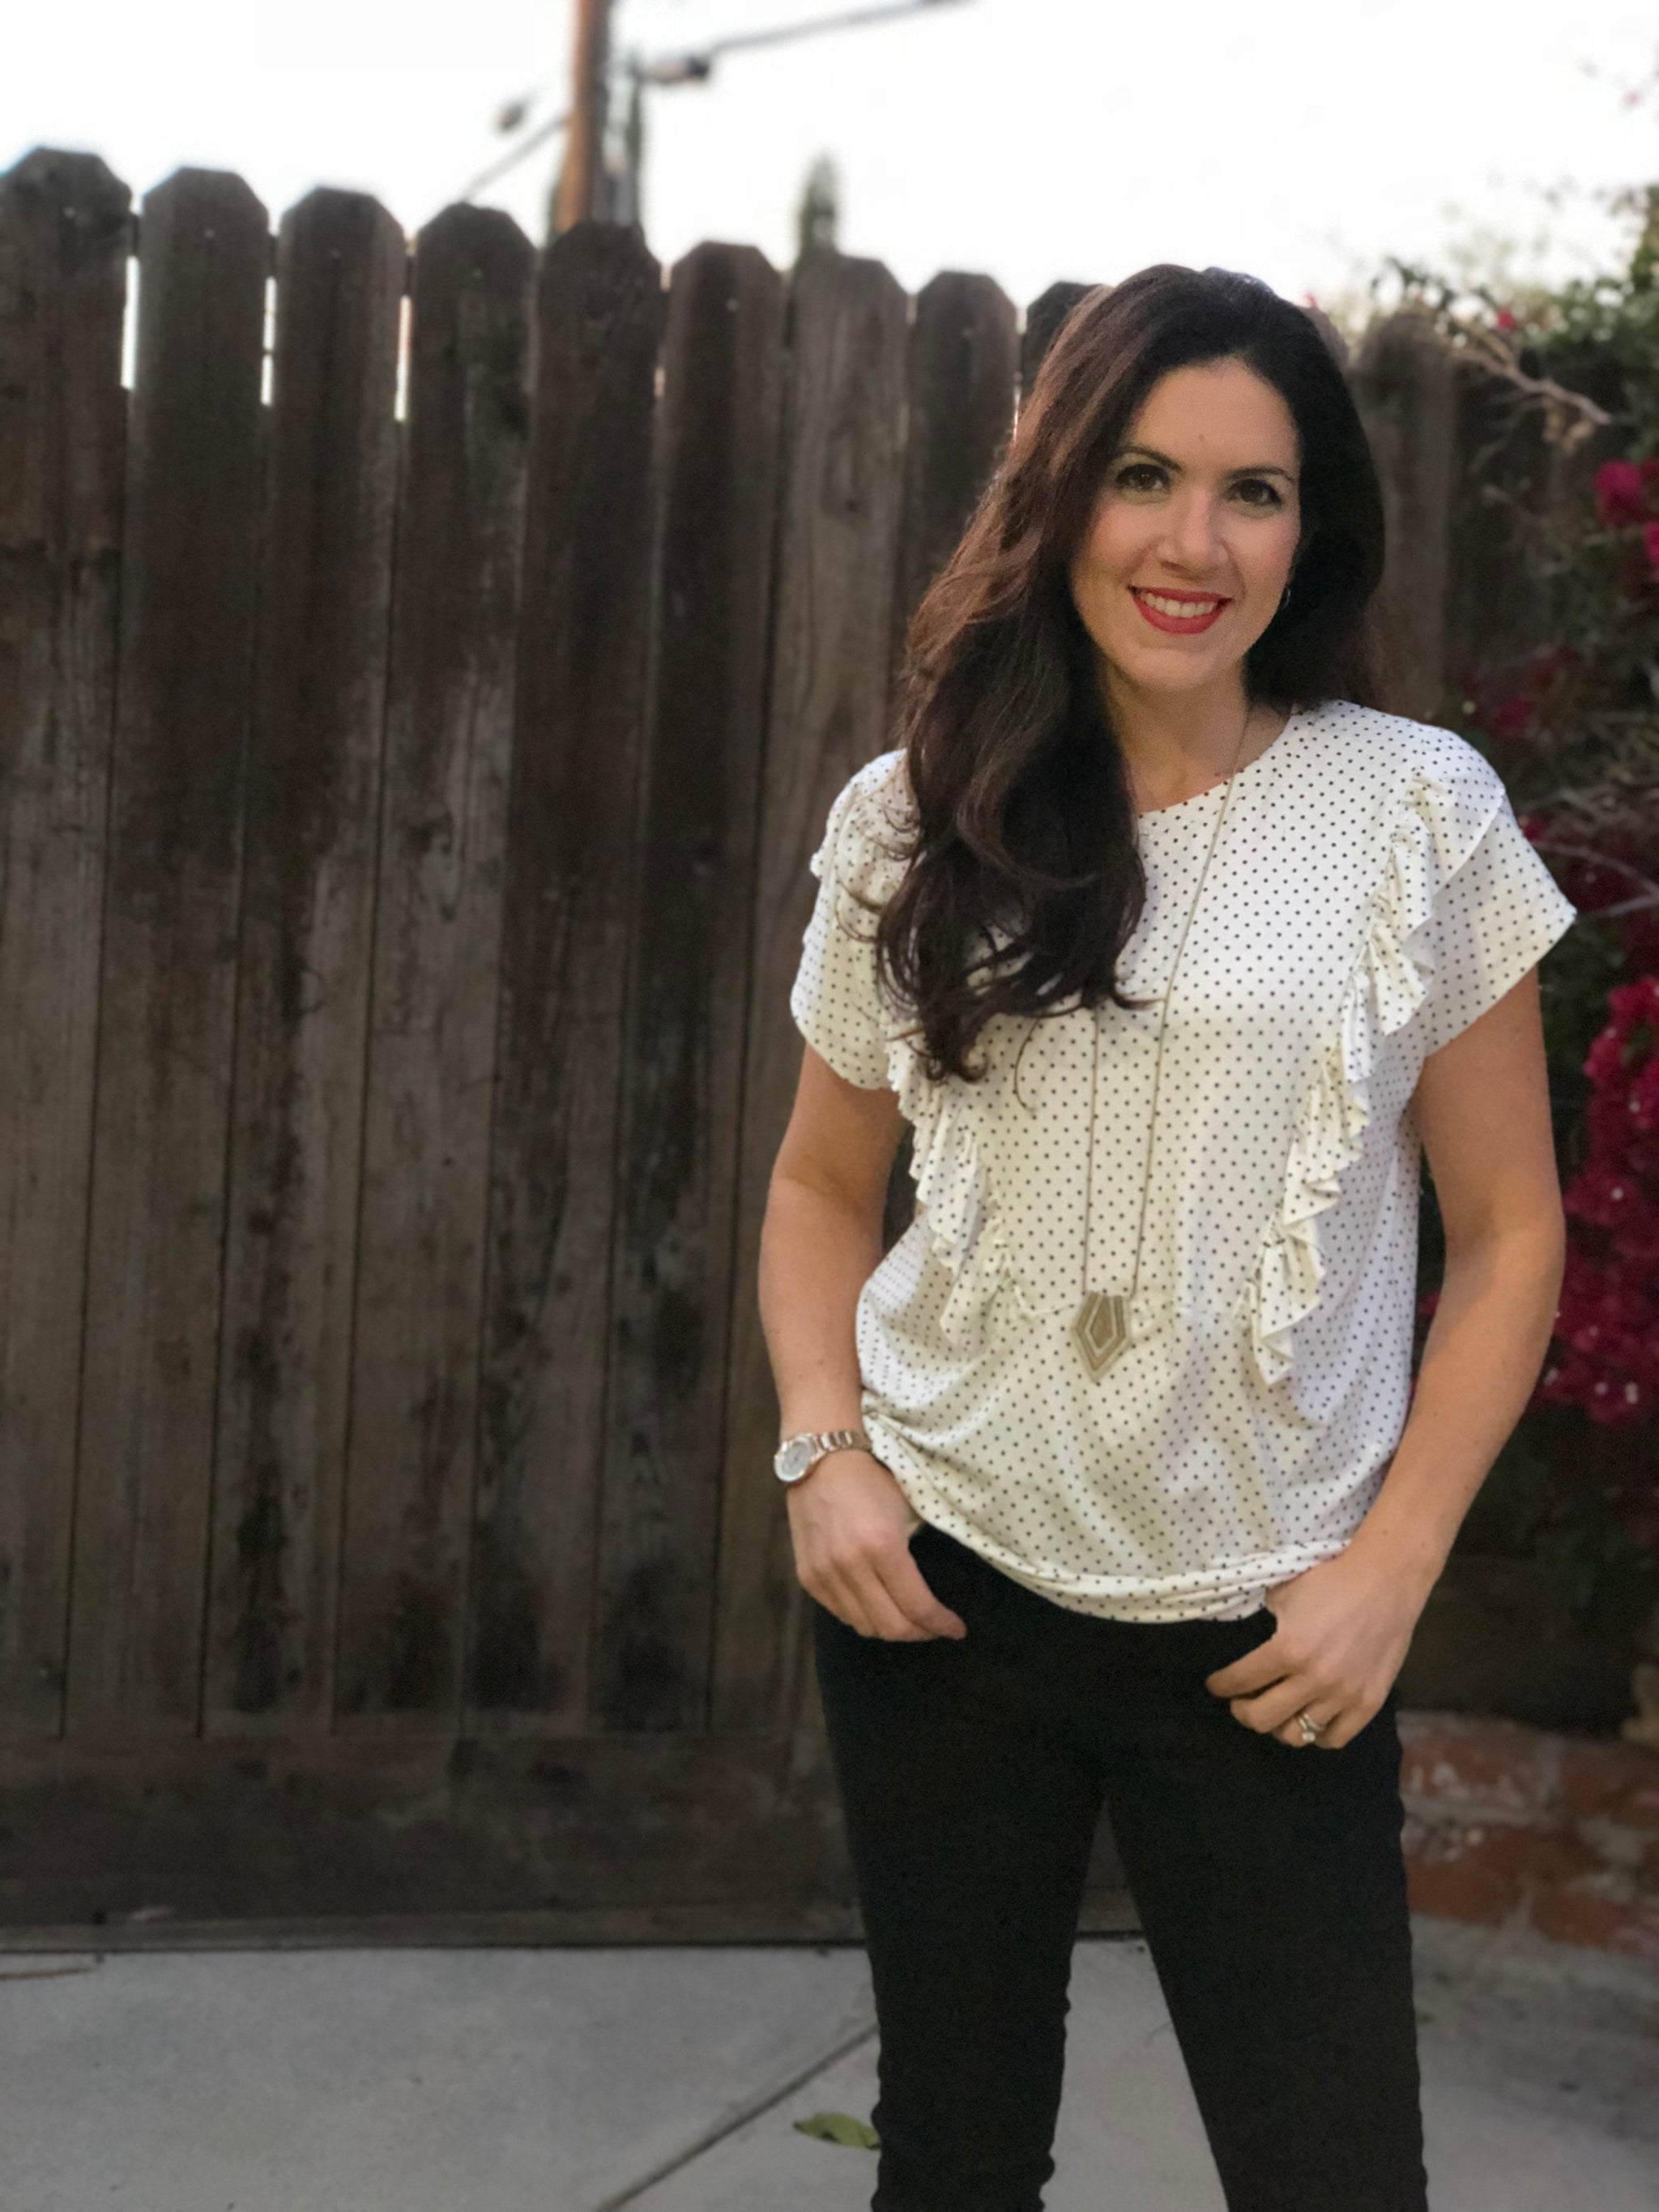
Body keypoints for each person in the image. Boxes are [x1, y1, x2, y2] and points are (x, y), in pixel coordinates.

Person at [757, 263, 1580, 2212]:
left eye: (1250, 492)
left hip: (1268, 1632)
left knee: (1331, 2178)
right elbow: (815, 1187)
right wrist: (823, 1452)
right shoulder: (914, 815)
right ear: (1059, 494)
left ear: (1312, 527)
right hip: (943, 1596)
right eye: (1141, 475)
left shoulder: (1416, 812)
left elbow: (1510, 1232)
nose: (1190, 544)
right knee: (953, 2163)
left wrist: (1390, 1569)